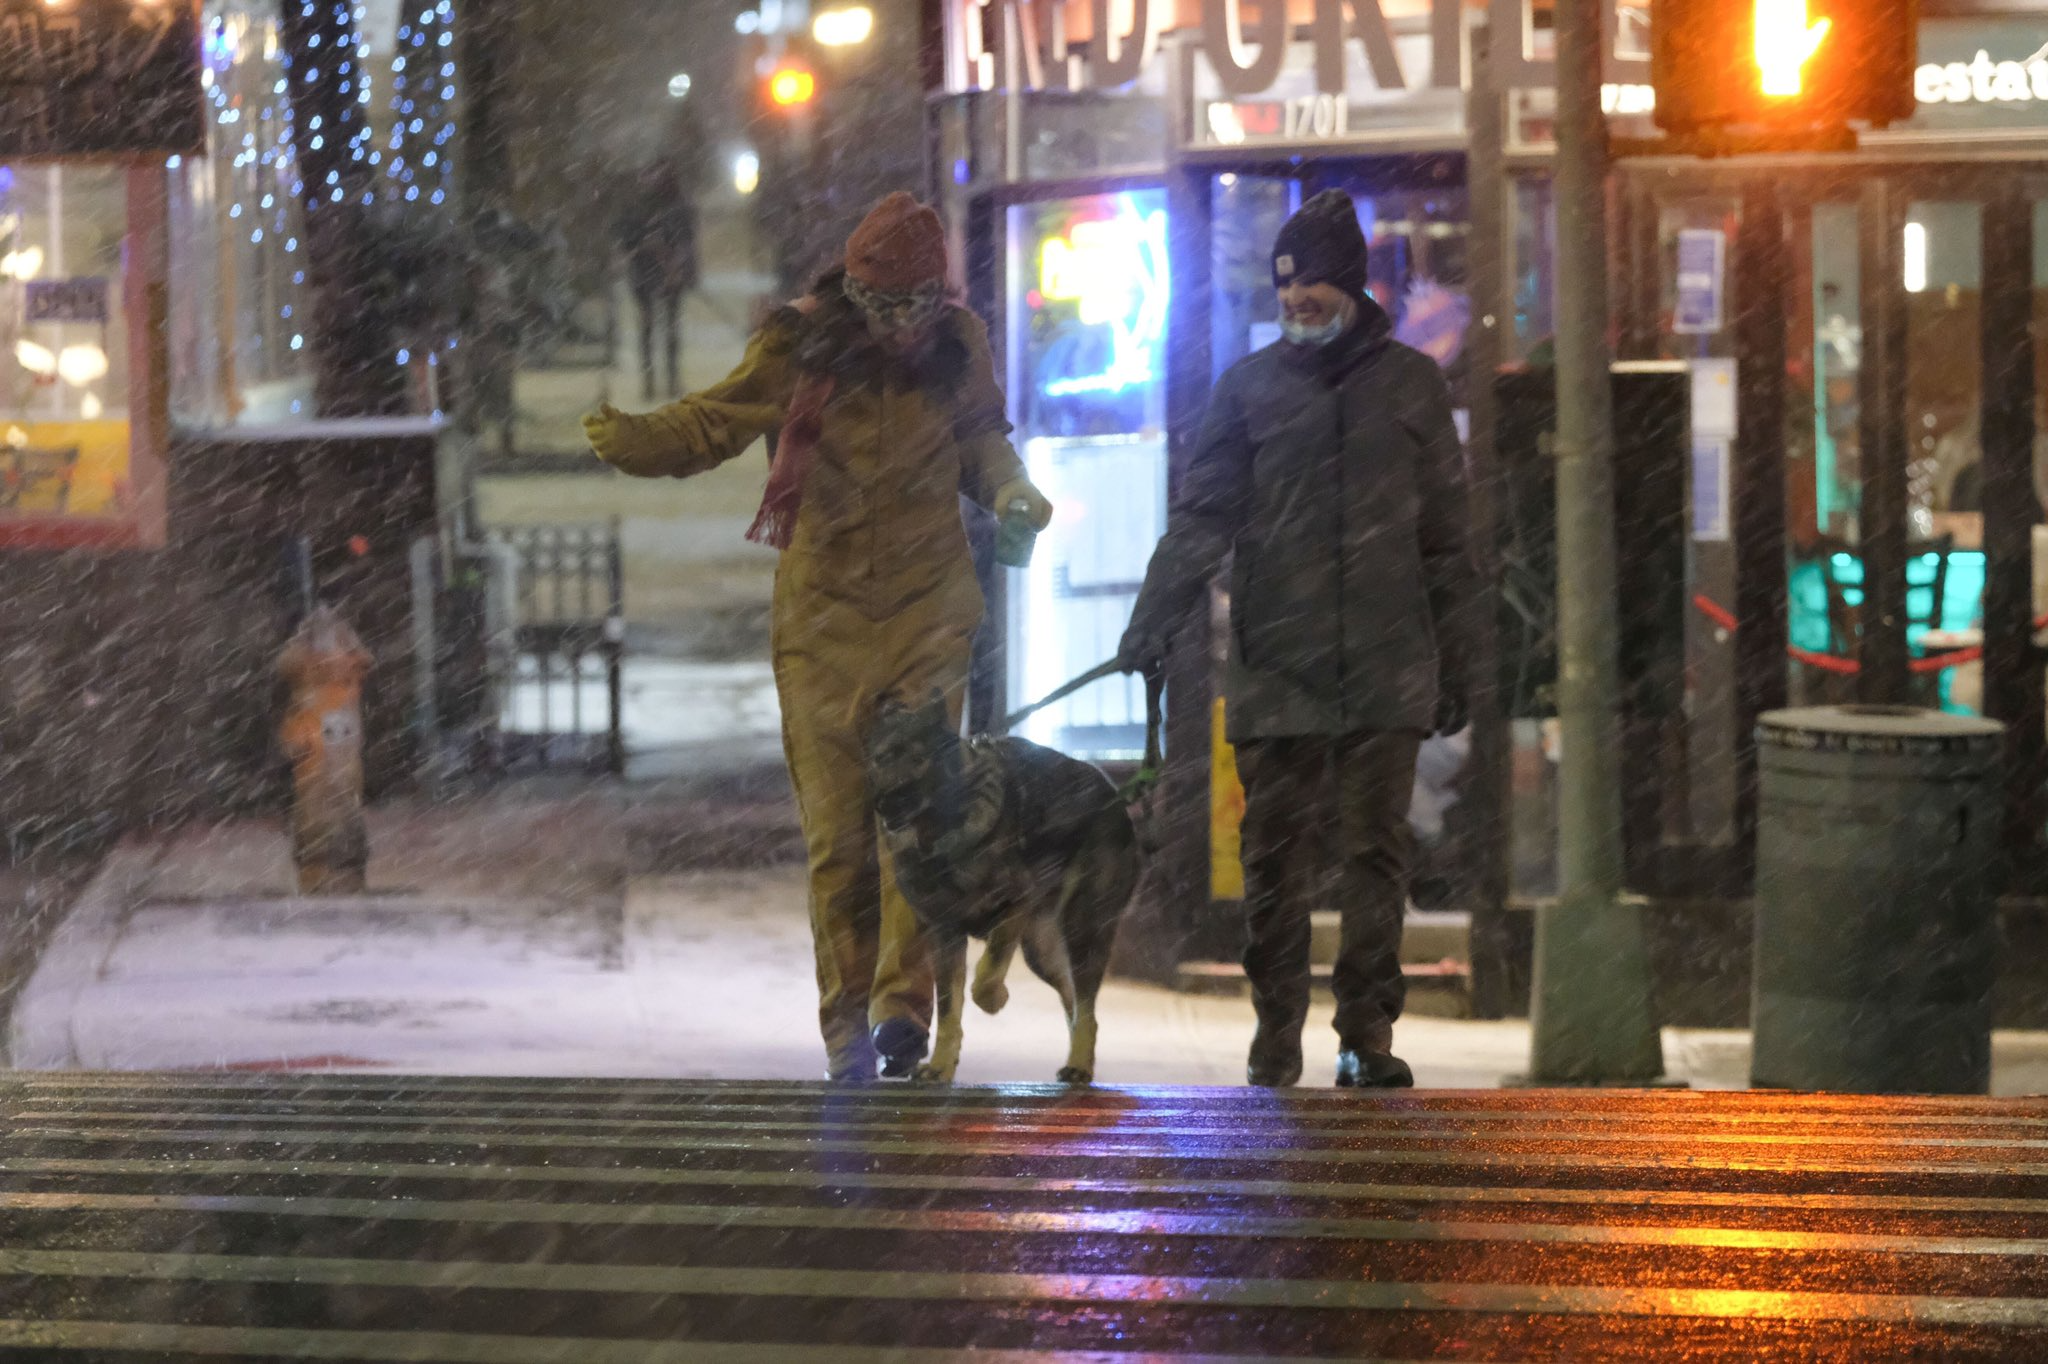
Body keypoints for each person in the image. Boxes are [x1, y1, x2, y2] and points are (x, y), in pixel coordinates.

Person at [582, 193, 1053, 1082]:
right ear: (853, 292)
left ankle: (900, 1011)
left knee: (915, 825)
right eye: (885, 307)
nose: (902, 326)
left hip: (926, 613)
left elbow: (983, 439)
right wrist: (638, 440)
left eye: (919, 306)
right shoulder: (799, 344)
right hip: (823, 624)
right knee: (839, 838)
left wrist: (1013, 493)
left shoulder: (962, 346)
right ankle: (846, 1029)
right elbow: (718, 420)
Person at [1117, 189, 1475, 1090]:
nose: (1296, 300)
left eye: (1312, 283)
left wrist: (1462, 660)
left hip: (1387, 666)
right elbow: (1202, 517)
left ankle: (1366, 1035)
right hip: (1280, 664)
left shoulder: (1412, 386)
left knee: (1374, 858)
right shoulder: (1248, 390)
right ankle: (1275, 1037)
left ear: (1350, 284)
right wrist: (1154, 613)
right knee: (1273, 862)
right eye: (1285, 287)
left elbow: (1449, 541)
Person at [613, 157, 699, 402]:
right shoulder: (639, 206)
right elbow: (625, 235)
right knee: (650, 329)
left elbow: (687, 241)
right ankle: (651, 382)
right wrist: (642, 245)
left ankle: (668, 381)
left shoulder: (678, 206)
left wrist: (681, 269)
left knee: (667, 329)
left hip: (666, 274)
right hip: (644, 273)